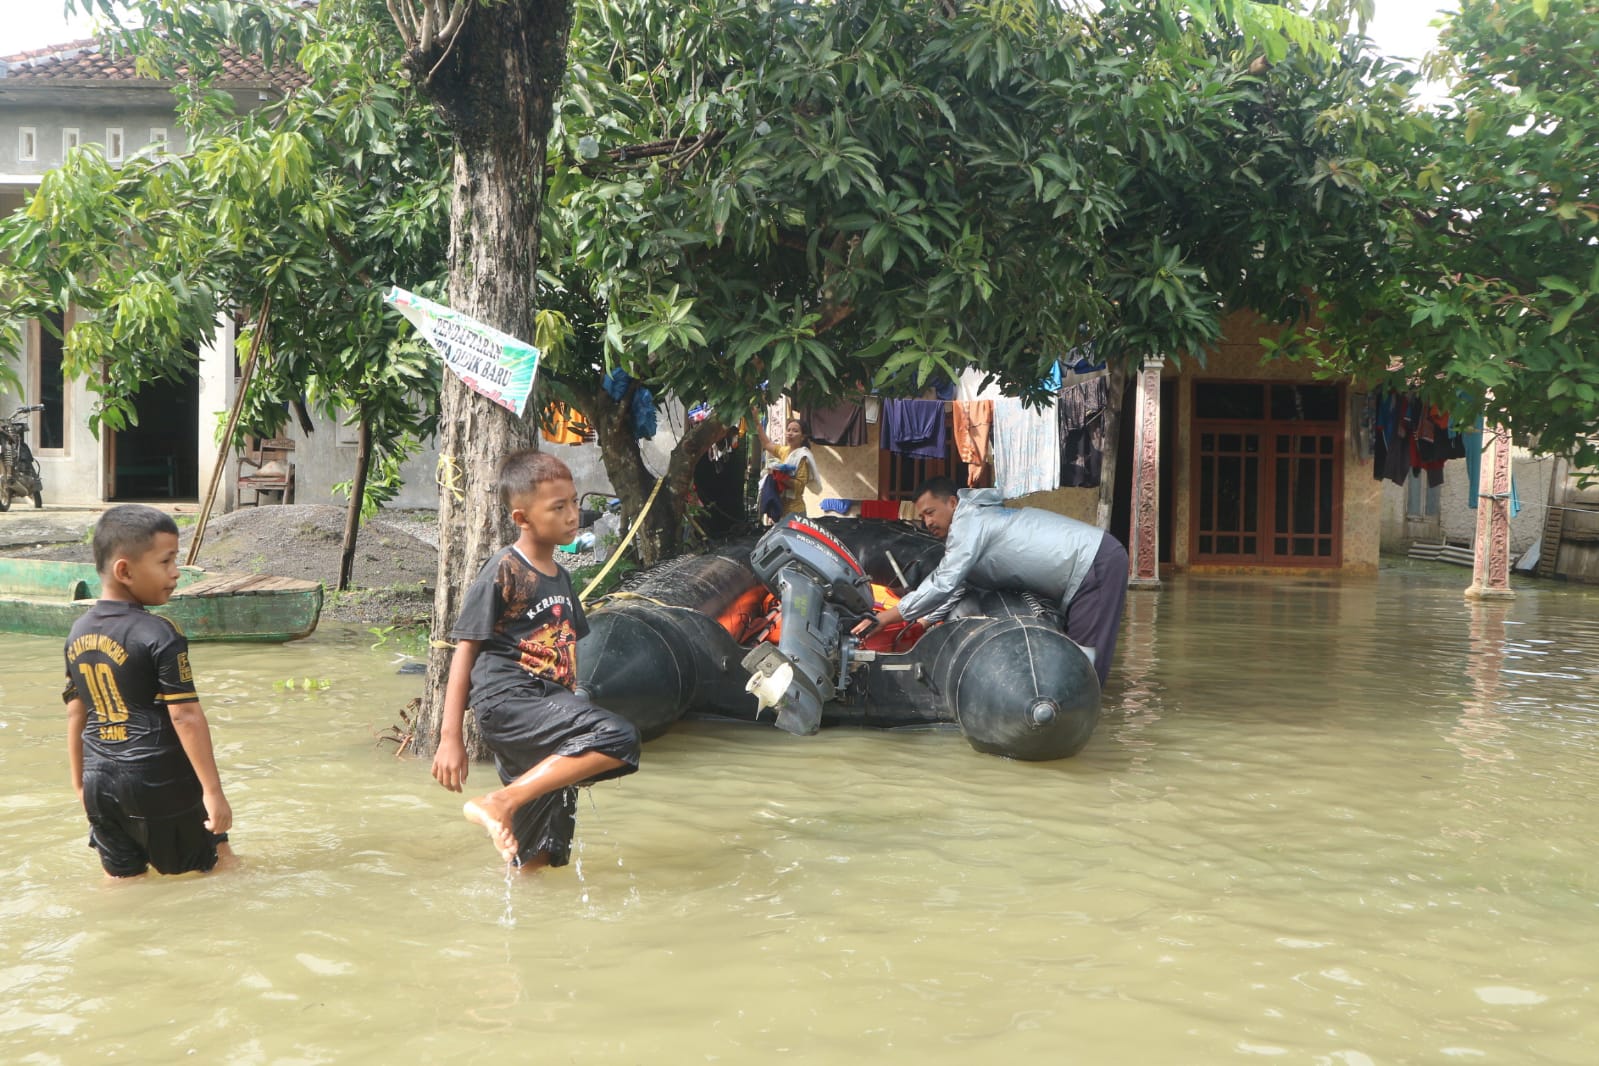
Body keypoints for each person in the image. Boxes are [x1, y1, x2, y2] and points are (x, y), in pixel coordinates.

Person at [431, 450, 641, 870]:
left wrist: (574, 702)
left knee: (539, 849)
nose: (572, 516)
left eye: (575, 503)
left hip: (547, 707)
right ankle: (499, 800)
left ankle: (523, 917)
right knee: (618, 737)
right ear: (522, 518)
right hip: (511, 699)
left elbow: (568, 649)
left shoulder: (560, 577)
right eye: (558, 507)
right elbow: (466, 649)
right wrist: (450, 736)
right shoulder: (504, 570)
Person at [65, 504, 234, 878]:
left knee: (124, 883)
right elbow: (184, 715)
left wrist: (79, 782)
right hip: (158, 779)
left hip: (99, 783)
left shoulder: (77, 632)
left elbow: (77, 712)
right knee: (219, 868)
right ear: (124, 570)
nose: (175, 574)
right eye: (166, 562)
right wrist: (213, 793)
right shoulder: (159, 632)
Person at [853, 477, 1129, 687]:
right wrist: (921, 624)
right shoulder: (970, 527)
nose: (926, 523)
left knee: (1086, 655)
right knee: (1076, 651)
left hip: (1093, 560)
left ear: (952, 503)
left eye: (930, 512)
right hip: (1083, 563)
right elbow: (957, 587)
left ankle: (1083, 718)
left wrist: (886, 618)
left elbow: (944, 582)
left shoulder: (971, 523)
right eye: (922, 516)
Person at [759, 418, 818, 522]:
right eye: (788, 430)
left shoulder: (802, 457)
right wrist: (756, 420)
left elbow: (799, 486)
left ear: (803, 437)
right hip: (781, 510)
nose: (790, 433)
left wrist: (780, 476)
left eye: (795, 431)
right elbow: (766, 444)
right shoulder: (784, 451)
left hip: (795, 512)